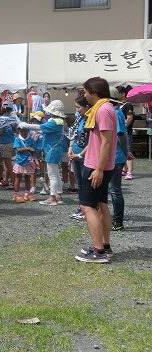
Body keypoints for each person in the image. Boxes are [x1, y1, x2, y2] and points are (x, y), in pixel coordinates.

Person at [75, 77, 117, 264]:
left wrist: (98, 169)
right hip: (96, 164)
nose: (84, 95)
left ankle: (99, 251)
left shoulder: (103, 110)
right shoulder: (101, 109)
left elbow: (107, 141)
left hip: (96, 166)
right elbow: (98, 140)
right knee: (100, 204)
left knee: (87, 206)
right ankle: (104, 246)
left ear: (94, 91)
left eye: (85, 92)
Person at [19, 100, 68, 206]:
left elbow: (40, 127)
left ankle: (52, 198)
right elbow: (44, 130)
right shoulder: (59, 121)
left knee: (53, 175)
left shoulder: (54, 122)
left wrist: (26, 125)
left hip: (52, 150)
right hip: (55, 149)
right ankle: (58, 195)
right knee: (56, 174)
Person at [109, 87, 131, 232]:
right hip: (114, 156)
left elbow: (121, 135)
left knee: (115, 190)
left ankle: (118, 221)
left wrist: (126, 152)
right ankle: (115, 219)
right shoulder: (115, 112)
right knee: (112, 189)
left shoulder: (116, 114)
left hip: (116, 157)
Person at [68, 97, 90, 221]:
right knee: (79, 184)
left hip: (84, 155)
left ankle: (86, 208)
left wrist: (80, 154)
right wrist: (70, 148)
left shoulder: (90, 119)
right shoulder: (79, 118)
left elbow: (92, 141)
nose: (76, 109)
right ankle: (81, 207)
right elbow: (74, 135)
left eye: (78, 107)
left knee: (85, 184)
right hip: (75, 153)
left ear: (86, 107)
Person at [0, 102, 18, 188]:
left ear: (4, 108)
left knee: (8, 165)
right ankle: (6, 180)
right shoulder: (13, 118)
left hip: (5, 143)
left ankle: (14, 183)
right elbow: (16, 130)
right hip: (12, 141)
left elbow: (0, 132)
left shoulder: (0, 119)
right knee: (8, 163)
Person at [12, 126, 38, 202]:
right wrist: (28, 148)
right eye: (22, 131)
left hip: (29, 162)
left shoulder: (31, 140)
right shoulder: (17, 139)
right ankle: (16, 194)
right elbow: (18, 149)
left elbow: (34, 152)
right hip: (20, 161)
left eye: (25, 131)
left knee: (27, 177)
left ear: (28, 131)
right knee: (18, 177)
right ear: (19, 131)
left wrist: (36, 161)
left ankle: (27, 193)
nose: (24, 133)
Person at [116, 85, 134, 180]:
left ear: (123, 94)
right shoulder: (117, 105)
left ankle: (130, 171)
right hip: (117, 132)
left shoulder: (128, 104)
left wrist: (123, 127)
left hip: (126, 131)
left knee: (128, 149)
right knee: (121, 150)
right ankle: (124, 169)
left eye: (117, 93)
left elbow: (130, 118)